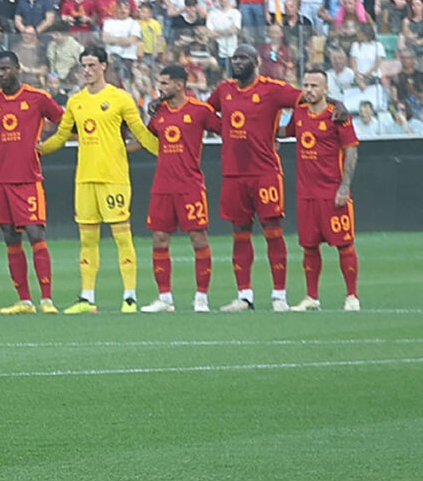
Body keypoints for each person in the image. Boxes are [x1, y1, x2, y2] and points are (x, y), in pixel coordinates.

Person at [40, 49, 158, 314]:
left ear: (103, 66)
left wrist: (167, 152)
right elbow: (61, 136)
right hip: (85, 178)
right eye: (84, 65)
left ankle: (129, 296)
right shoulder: (76, 101)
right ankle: (87, 298)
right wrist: (37, 150)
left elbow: (139, 130)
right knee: (87, 241)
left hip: (113, 177)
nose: (87, 70)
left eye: (92, 65)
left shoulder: (120, 98)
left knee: (122, 238)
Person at [207, 52, 301, 311]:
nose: (237, 62)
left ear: (255, 62)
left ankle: (279, 295)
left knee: (273, 232)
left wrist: (286, 130)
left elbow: (305, 100)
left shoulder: (272, 89)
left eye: (243, 58)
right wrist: (223, 128)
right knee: (240, 234)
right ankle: (244, 296)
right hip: (234, 173)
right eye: (235, 58)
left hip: (265, 173)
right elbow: (205, 113)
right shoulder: (224, 90)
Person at [0, 52, 63, 313]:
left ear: (18, 68)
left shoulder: (37, 97)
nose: (1, 74)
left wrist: (48, 142)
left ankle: (47, 299)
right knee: (9, 236)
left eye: (6, 68)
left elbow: (62, 120)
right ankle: (25, 300)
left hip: (28, 177)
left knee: (35, 233)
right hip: (2, 177)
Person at [141, 63, 217, 314]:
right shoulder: (158, 112)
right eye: (159, 83)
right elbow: (149, 138)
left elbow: (228, 130)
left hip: (190, 186)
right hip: (162, 186)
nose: (159, 88)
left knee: (198, 238)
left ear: (180, 85)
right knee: (159, 239)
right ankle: (165, 298)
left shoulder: (199, 110)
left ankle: (202, 298)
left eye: (164, 83)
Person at [284, 70, 360, 311]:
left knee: (344, 244)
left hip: (332, 192)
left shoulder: (337, 116)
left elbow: (351, 150)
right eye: (305, 85)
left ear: (325, 89)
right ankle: (311, 297)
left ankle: (352, 296)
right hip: (306, 194)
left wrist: (344, 186)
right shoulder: (299, 113)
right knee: (308, 246)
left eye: (314, 85)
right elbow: (283, 133)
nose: (309, 89)